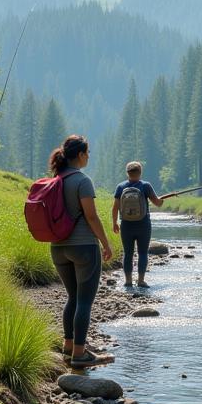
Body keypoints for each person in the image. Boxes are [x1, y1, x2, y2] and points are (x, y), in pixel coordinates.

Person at [48, 135, 114, 366]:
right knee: (84, 301)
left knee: (73, 297)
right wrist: (106, 243)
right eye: (87, 153)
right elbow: (91, 216)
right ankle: (80, 353)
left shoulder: (56, 179)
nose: (88, 157)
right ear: (80, 155)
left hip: (58, 248)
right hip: (84, 247)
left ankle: (68, 347)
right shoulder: (82, 180)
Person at [111, 161, 164, 289]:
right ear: (140, 172)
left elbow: (115, 208)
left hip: (126, 225)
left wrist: (114, 223)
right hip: (143, 225)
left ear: (127, 173)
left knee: (128, 253)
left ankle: (128, 281)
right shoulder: (146, 186)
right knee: (143, 253)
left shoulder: (121, 187)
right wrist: (161, 200)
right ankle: (141, 281)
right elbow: (157, 203)